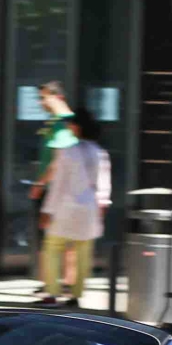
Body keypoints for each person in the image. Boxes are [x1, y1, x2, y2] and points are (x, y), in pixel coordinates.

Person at [36, 107, 110, 306]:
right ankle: (76, 295)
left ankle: (52, 292)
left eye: (71, 124)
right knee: (83, 252)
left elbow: (59, 184)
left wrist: (46, 210)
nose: (68, 126)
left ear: (77, 127)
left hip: (65, 208)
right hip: (89, 208)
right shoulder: (99, 153)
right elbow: (104, 185)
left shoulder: (68, 152)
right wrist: (103, 206)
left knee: (53, 247)